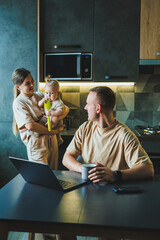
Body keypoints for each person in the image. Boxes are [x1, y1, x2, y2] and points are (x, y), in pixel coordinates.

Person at [63, 86, 154, 183]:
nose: (85, 108)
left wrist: (115, 175)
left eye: (88, 104)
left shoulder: (124, 135)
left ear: (98, 108)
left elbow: (148, 169)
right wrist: (85, 170)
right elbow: (66, 158)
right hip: (87, 189)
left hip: (114, 192)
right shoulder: (85, 128)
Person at [12, 68, 69, 170]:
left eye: (32, 81)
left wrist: (55, 115)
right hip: (37, 143)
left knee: (54, 174)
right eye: (27, 83)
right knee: (42, 178)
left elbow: (65, 109)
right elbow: (30, 126)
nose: (32, 85)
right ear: (18, 87)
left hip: (52, 141)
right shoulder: (19, 102)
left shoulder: (40, 95)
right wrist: (53, 131)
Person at [38, 78, 65, 146]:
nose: (48, 95)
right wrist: (42, 101)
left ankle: (58, 138)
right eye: (46, 93)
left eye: (51, 93)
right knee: (40, 122)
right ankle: (36, 132)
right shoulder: (46, 100)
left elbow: (61, 111)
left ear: (58, 93)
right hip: (47, 118)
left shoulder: (58, 102)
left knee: (55, 130)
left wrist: (52, 113)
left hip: (55, 120)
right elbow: (39, 105)